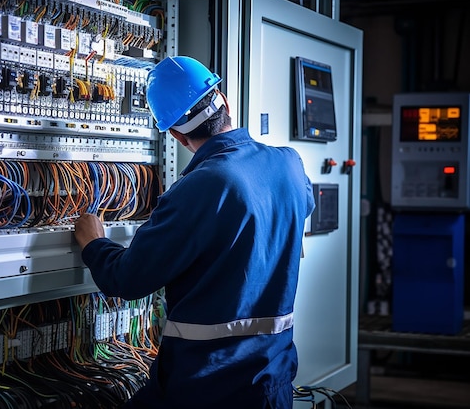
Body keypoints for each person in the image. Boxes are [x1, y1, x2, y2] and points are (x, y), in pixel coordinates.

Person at [74, 55, 315, 408]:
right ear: (226, 103)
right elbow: (289, 212)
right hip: (271, 383)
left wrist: (94, 242)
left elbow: (126, 280)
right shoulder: (290, 163)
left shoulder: (198, 187)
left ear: (174, 134)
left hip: (208, 387)